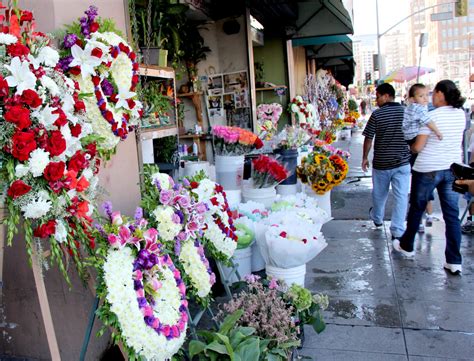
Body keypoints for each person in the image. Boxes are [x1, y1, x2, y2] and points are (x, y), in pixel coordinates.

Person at [393, 80, 466, 276]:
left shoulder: (430, 116)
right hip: (452, 169)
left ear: (441, 94)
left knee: (417, 208)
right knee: (452, 215)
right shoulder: (461, 115)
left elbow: (417, 147)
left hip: (427, 169)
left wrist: (410, 147)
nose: (430, 97)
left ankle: (407, 246)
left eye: (434, 93)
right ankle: (454, 261)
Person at [362, 83, 411, 240]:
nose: (376, 100)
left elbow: (368, 138)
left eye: (378, 97)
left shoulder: (377, 115)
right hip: (402, 163)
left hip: (382, 162)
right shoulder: (406, 113)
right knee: (401, 196)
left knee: (379, 193)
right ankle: (397, 229)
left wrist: (365, 157)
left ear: (387, 96)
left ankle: (377, 218)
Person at [402, 83, 443, 233]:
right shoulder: (419, 109)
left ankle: (423, 219)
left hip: (410, 142)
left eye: (427, 95)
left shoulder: (410, 108)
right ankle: (422, 220)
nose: (425, 98)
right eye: (421, 96)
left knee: (420, 184)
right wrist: (438, 132)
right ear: (413, 99)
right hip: (414, 141)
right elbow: (428, 122)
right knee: (421, 185)